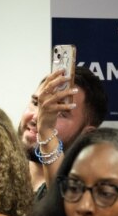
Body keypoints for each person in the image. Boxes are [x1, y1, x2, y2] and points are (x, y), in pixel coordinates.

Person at [22, 66, 108, 196]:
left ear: (87, 134)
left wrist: (46, 131)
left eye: (59, 113)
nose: (37, 118)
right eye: (36, 103)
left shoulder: (84, 194)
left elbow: (58, 201)